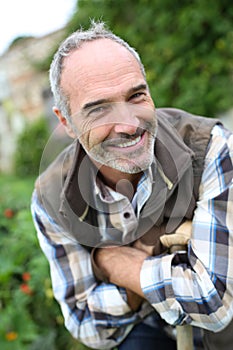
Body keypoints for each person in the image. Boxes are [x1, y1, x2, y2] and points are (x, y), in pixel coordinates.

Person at [31, 21, 233, 350]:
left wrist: (118, 264)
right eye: (98, 109)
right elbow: (85, 324)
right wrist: (157, 283)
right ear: (66, 121)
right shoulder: (50, 198)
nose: (128, 124)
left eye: (136, 96)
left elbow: (213, 302)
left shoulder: (210, 149)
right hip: (148, 333)